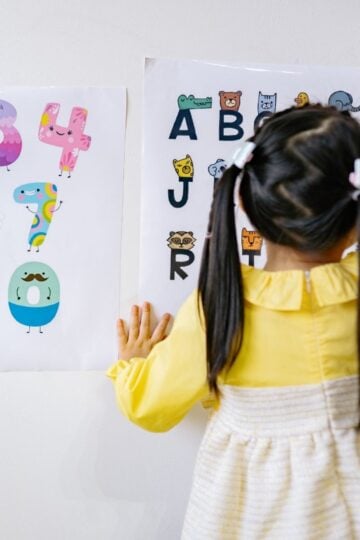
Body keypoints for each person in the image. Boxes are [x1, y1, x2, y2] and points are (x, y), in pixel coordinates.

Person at [107, 104, 360, 539]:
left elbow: (149, 407)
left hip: (249, 514)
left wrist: (133, 364)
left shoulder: (222, 305)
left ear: (243, 200)